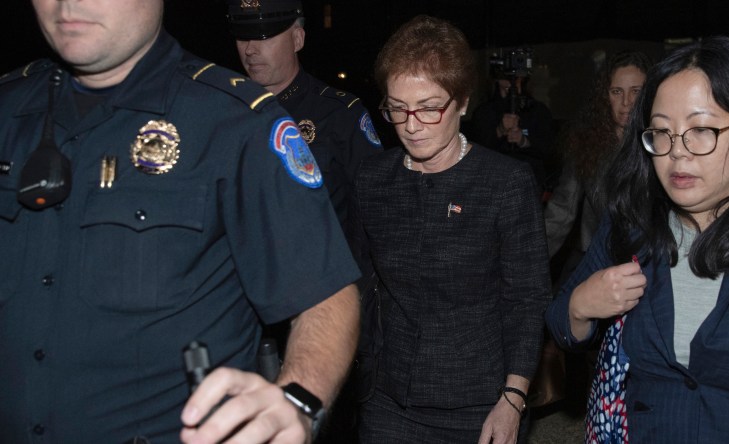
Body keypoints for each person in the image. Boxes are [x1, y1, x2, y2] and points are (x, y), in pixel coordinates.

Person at [0, 0, 360, 443]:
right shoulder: (7, 110)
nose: (69, 2)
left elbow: (325, 295)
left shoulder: (235, 122)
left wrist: (298, 405)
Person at [546, 36, 729, 442]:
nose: (677, 152)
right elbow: (561, 322)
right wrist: (580, 307)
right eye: (662, 133)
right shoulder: (630, 224)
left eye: (701, 130)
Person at [352, 15, 551, 443]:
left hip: (480, 405)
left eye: (428, 107)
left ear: (461, 102)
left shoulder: (504, 183)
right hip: (387, 401)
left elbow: (527, 297)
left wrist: (513, 399)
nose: (410, 124)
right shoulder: (373, 180)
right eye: (397, 108)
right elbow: (359, 284)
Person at [226, 0, 382, 236]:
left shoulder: (339, 114)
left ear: (297, 39)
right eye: (242, 37)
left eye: (264, 37)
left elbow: (377, 208)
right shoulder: (226, 112)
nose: (250, 49)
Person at [545, 51, 652, 274]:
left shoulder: (664, 144)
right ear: (605, 97)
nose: (626, 102)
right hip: (595, 261)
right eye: (616, 91)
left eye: (636, 91)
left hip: (650, 263)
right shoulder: (587, 145)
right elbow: (561, 213)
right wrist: (524, 263)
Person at [468, 71, 555, 194]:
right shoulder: (485, 112)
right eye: (505, 75)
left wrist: (524, 141)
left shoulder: (537, 111)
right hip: (492, 184)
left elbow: (548, 148)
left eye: (517, 76)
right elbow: (474, 150)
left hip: (529, 184)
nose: (511, 80)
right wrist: (499, 131)